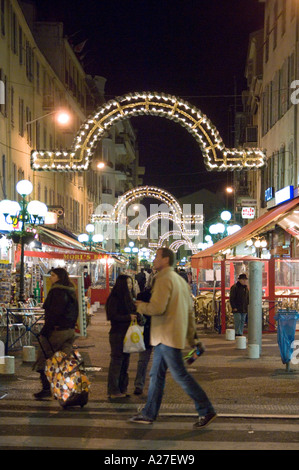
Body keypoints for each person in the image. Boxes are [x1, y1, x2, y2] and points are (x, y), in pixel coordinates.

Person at [130, 247, 216, 429]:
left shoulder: (163, 279)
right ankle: (149, 413)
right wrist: (193, 340)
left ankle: (206, 408)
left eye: (156, 257)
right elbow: (189, 312)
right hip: (171, 335)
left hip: (166, 334)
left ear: (165, 260)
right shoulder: (179, 280)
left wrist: (140, 306)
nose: (153, 259)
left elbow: (157, 308)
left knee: (180, 374)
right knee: (156, 375)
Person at [33, 268, 79, 399]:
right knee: (65, 361)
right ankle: (69, 387)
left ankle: (47, 388)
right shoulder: (70, 290)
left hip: (57, 331)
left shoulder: (57, 292)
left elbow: (54, 313)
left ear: (59, 277)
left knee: (44, 358)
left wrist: (45, 331)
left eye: (53, 275)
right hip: (69, 330)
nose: (51, 277)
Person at [106, 274, 139, 398]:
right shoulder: (114, 298)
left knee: (125, 361)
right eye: (128, 283)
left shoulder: (129, 298)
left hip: (128, 333)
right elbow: (112, 316)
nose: (130, 286)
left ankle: (122, 388)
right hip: (117, 334)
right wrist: (128, 317)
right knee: (117, 361)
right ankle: (113, 390)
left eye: (131, 283)